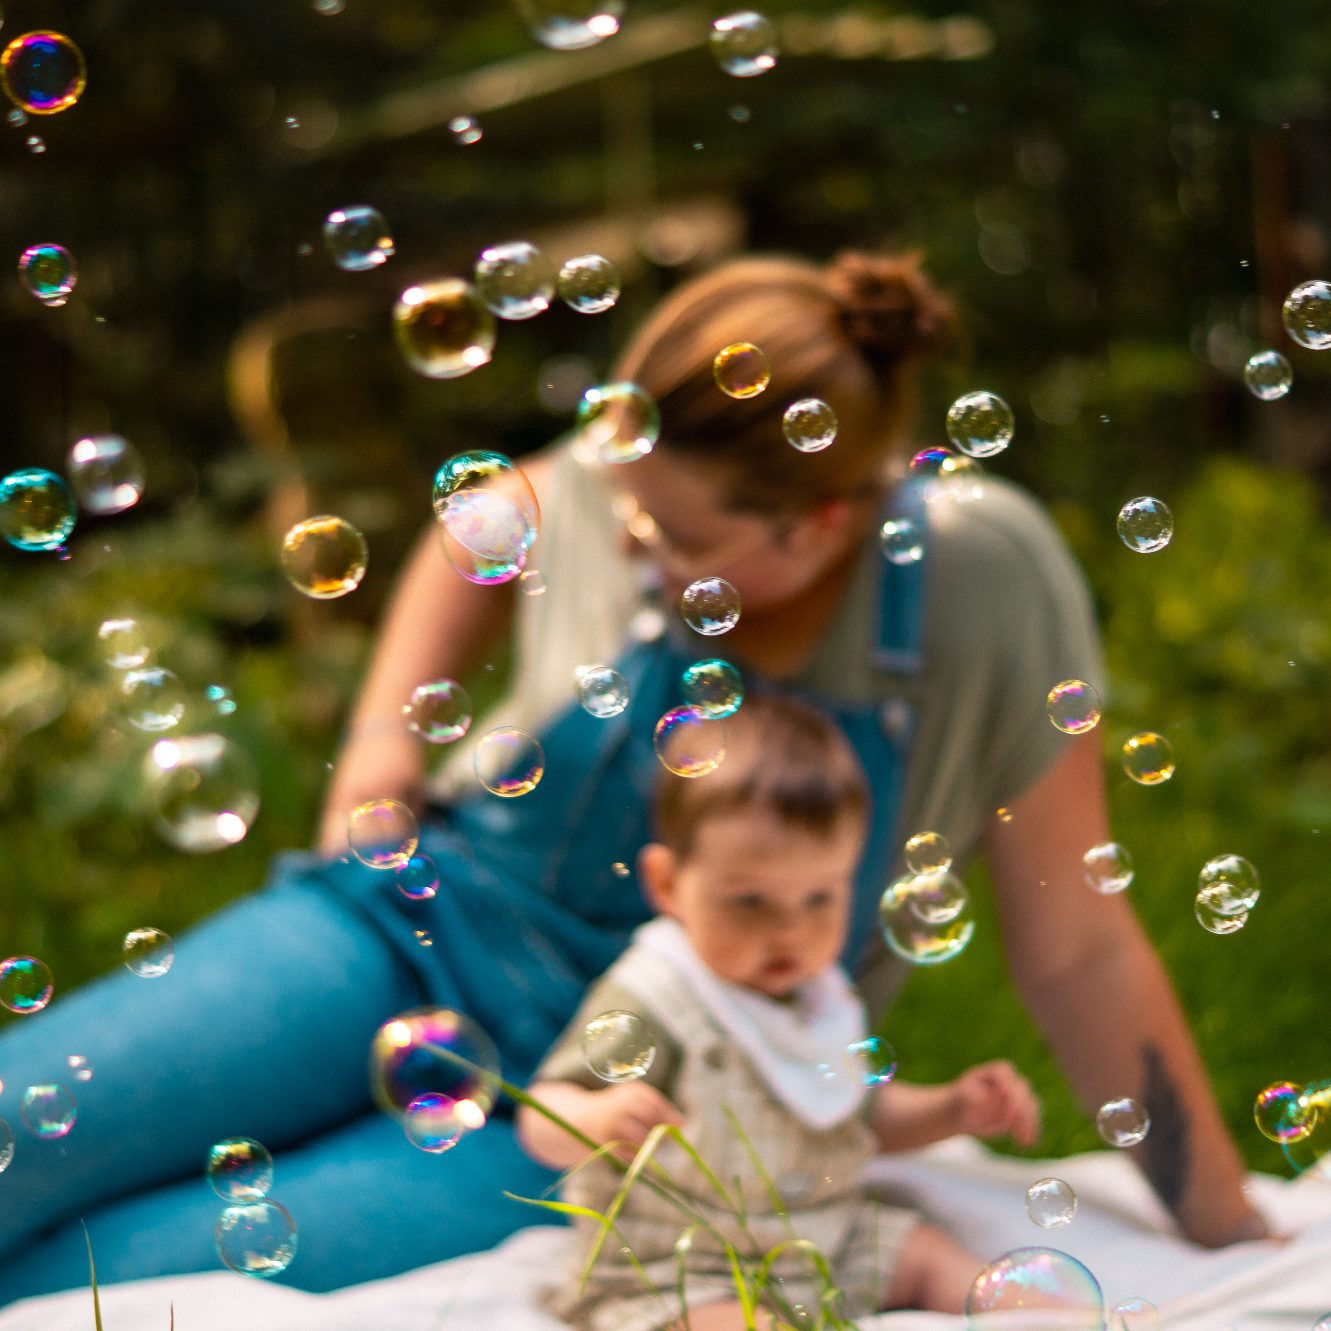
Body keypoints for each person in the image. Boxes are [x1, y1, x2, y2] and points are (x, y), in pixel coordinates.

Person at [0, 250, 1268, 1304]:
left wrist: (1233, 1231)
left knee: (112, 1278)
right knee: (23, 1126)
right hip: (411, 923)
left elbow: (1077, 945)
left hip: (612, 1103)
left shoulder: (979, 580)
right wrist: (386, 736)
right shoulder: (643, 465)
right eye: (626, 507)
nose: (628, 543)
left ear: (819, 521)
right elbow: (485, 518)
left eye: (680, 535)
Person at [519, 694, 1042, 1329]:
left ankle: (1064, 1318)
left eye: (820, 897)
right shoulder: (657, 996)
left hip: (824, 1244)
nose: (790, 931)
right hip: (679, 1268)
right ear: (668, 885)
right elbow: (541, 1115)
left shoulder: (818, 1000)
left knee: (928, 1254)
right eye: (750, 901)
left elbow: (853, 1114)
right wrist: (595, 1119)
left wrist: (952, 1111)